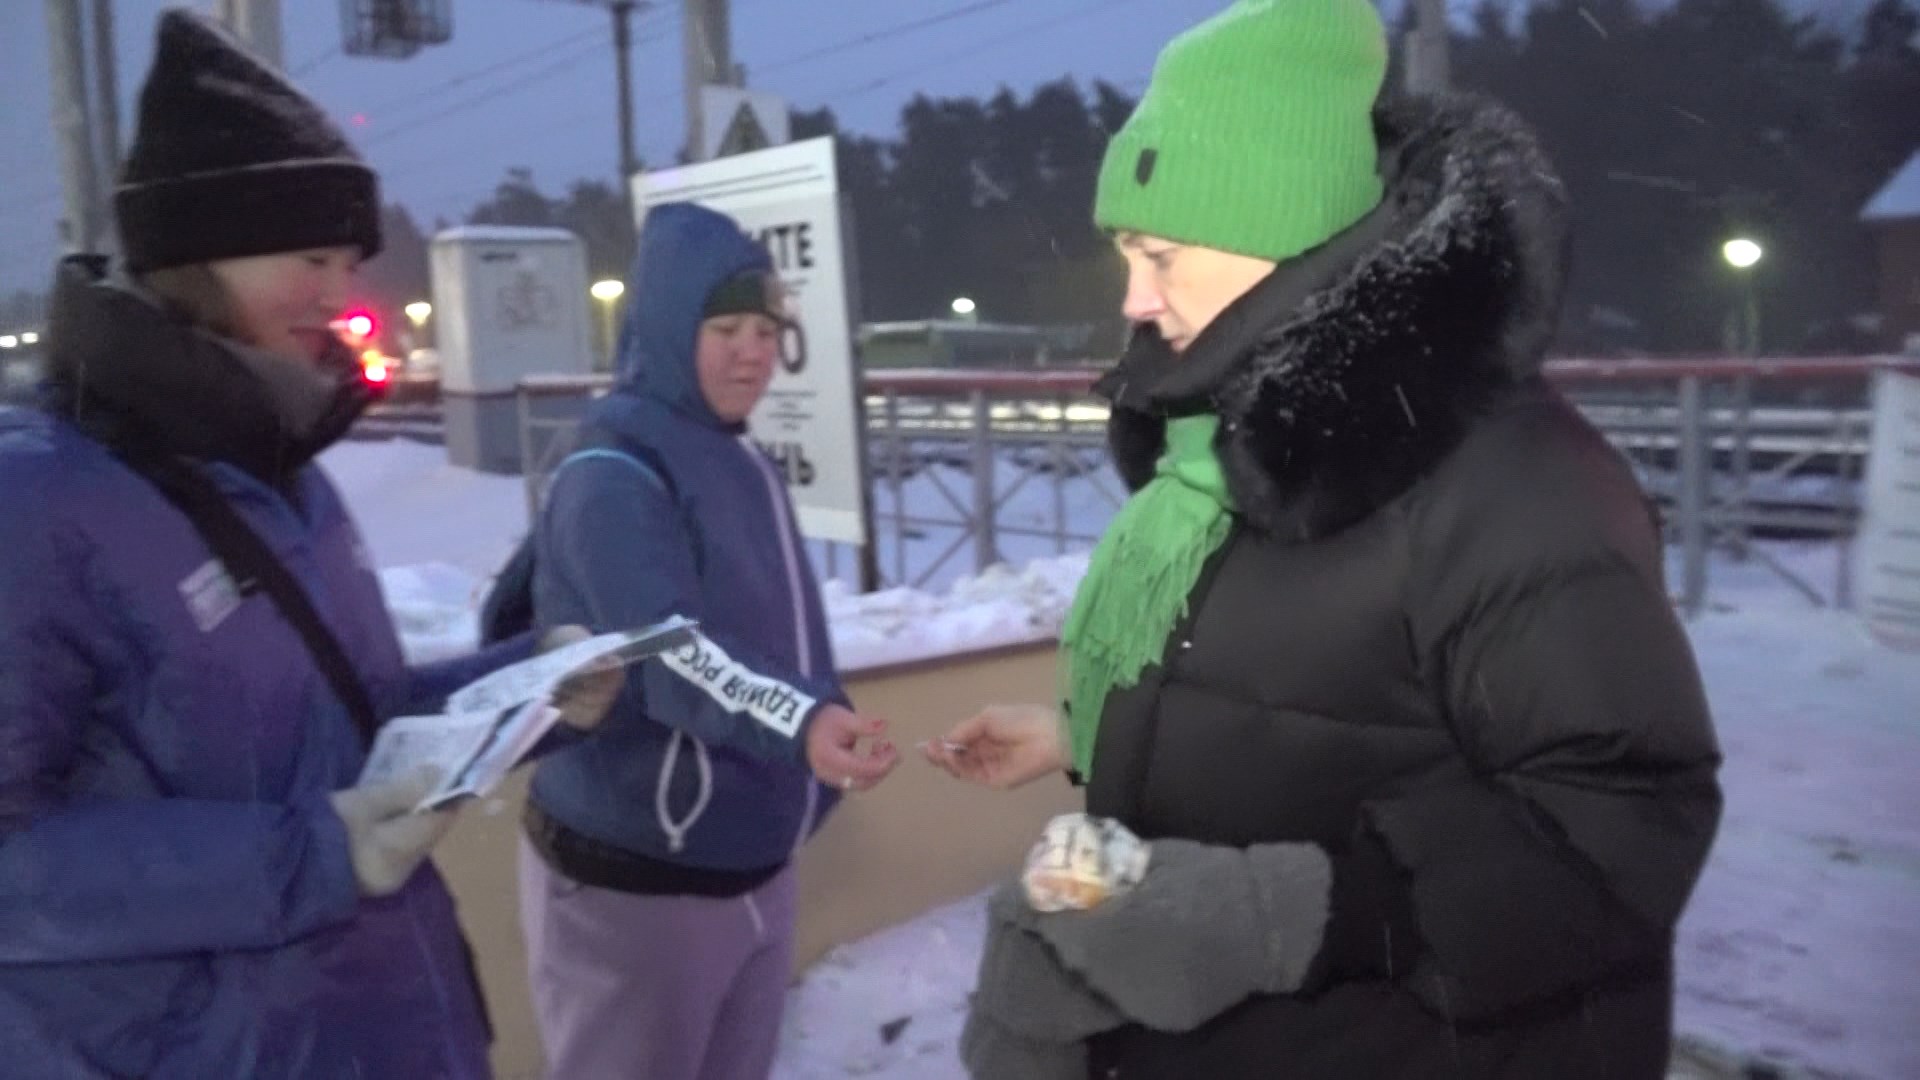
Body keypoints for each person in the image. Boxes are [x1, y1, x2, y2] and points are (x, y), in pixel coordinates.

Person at [924, 1, 1724, 1077]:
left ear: (1286, 231)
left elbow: (1623, 826)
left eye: (1159, 252)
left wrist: (1284, 916)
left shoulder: (1512, 483)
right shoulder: (1226, 439)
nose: (1132, 295)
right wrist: (1090, 738)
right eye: (1124, 249)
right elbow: (1293, 704)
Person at [0, 11, 618, 1078]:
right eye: (310, 256)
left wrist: (522, 692)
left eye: (350, 258)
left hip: (384, 1028)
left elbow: (349, 730)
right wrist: (309, 857)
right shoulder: (40, 502)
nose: (341, 295)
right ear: (196, 255)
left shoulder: (285, 474)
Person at [515, 200, 900, 1080]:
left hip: (752, 866)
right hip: (639, 885)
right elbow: (670, 654)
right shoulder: (612, 473)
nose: (752, 351)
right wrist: (802, 723)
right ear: (664, 327)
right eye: (725, 326)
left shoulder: (738, 458)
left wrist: (814, 726)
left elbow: (778, 629)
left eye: (766, 329)